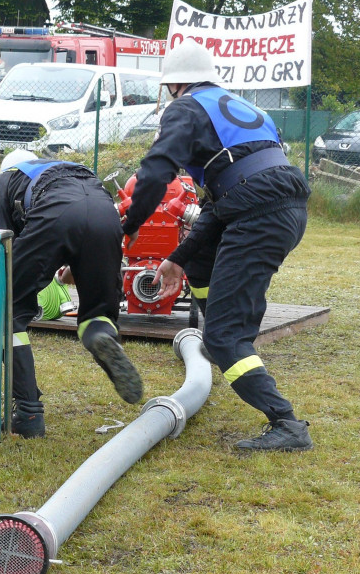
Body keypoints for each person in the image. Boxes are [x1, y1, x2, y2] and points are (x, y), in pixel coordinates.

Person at [121, 40, 312, 452]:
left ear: (175, 84)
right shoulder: (248, 111)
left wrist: (131, 223)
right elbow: (221, 201)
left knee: (228, 338)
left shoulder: (186, 109)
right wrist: (178, 259)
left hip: (258, 216)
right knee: (201, 258)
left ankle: (287, 424)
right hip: (281, 206)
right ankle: (216, 332)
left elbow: (156, 171)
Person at [0, 149, 144, 438]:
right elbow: (80, 212)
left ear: (7, 170)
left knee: (7, 312)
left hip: (56, 212)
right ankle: (99, 334)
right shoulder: (65, 167)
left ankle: (29, 413)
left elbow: (3, 250)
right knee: (98, 315)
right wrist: (73, 263)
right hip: (104, 212)